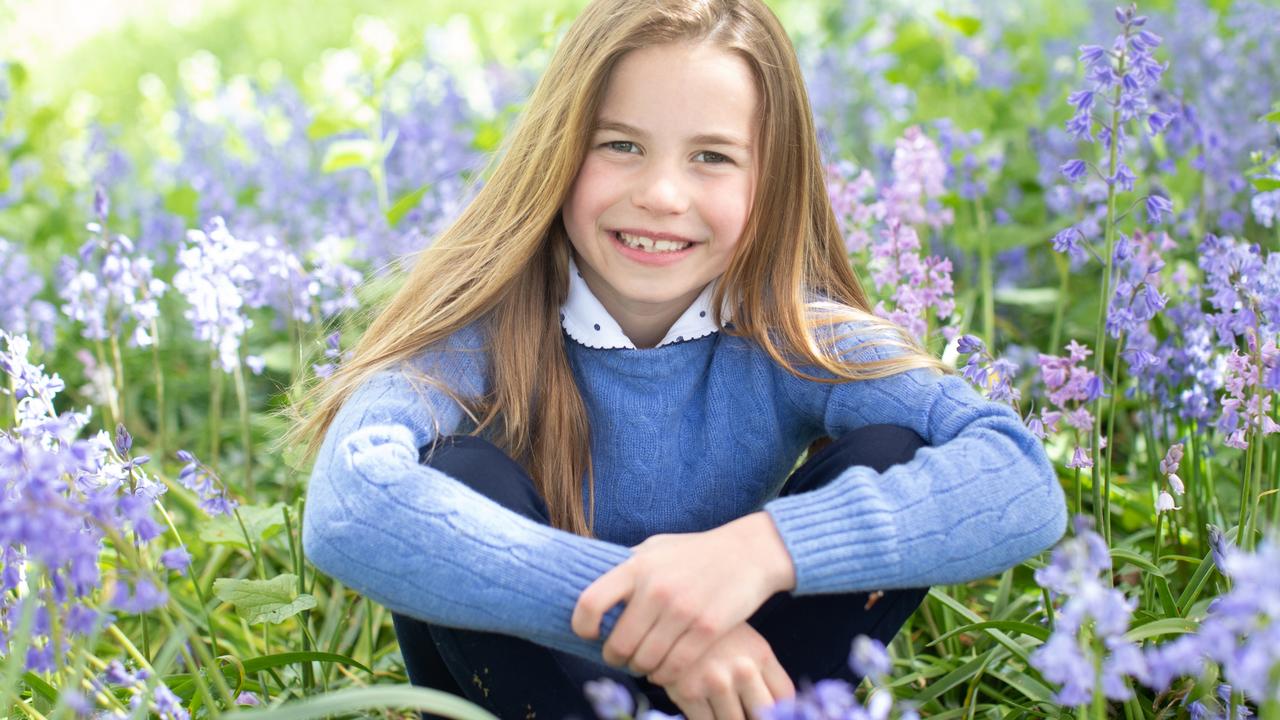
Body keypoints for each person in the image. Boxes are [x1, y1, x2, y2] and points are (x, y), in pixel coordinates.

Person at [292, 0, 1068, 718]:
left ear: (771, 180)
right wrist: (653, 621)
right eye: (622, 145)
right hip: (544, 690)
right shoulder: (480, 334)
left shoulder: (794, 335)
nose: (662, 193)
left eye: (712, 157)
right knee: (457, 476)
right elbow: (349, 505)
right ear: (559, 153)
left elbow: (1021, 477)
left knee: (897, 449)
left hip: (747, 690)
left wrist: (758, 553)